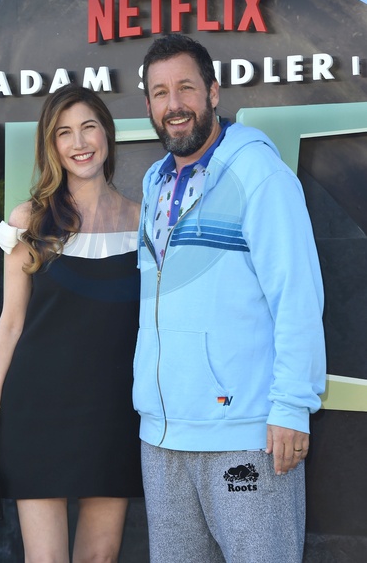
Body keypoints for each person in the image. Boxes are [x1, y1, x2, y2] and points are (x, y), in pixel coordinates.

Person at [133, 34, 326, 563]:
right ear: (148, 104)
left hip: (248, 435)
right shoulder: (153, 184)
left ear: (214, 93)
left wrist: (292, 406)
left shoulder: (260, 174)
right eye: (160, 93)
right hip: (163, 438)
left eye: (186, 88)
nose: (174, 104)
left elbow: (297, 295)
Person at [0, 84, 143, 563]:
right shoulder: (30, 220)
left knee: (100, 557)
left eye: (88, 127)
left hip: (112, 413)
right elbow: (10, 324)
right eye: (64, 132)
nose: (79, 142)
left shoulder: (143, 220)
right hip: (37, 411)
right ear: (51, 145)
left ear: (107, 133)